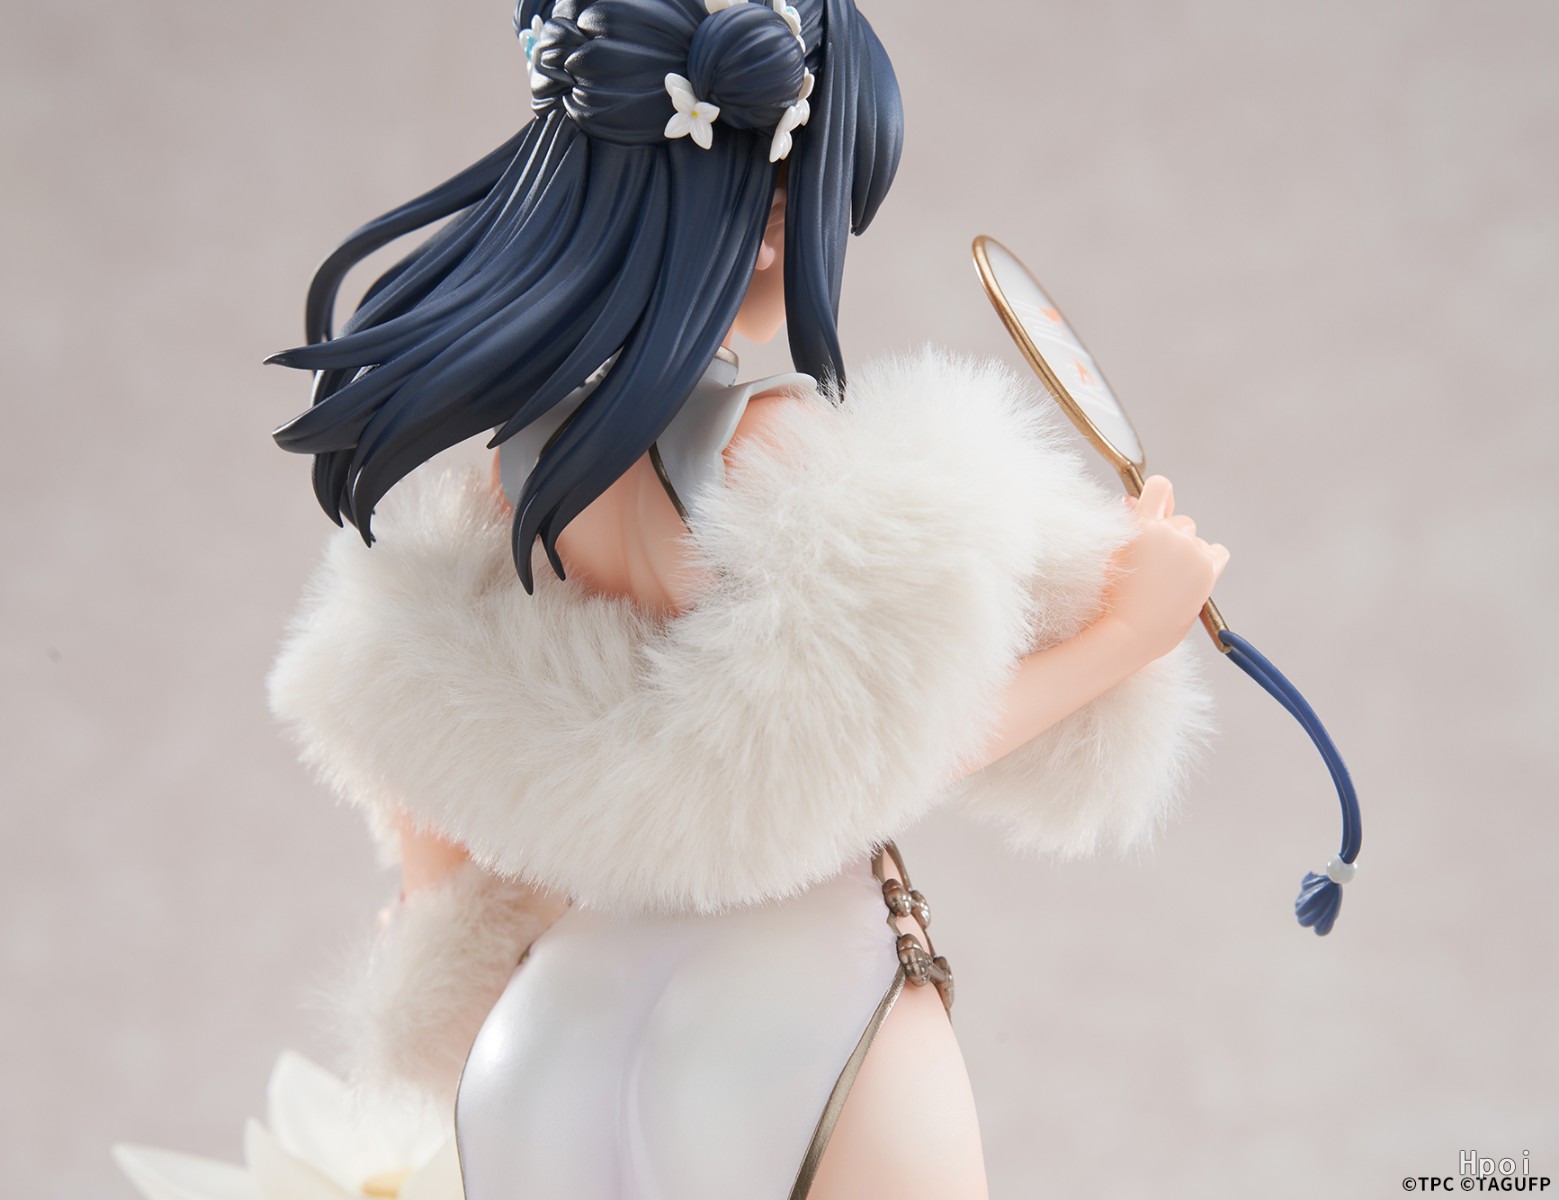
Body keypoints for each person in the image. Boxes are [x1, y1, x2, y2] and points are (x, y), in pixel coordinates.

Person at [266, 1, 1225, 1195]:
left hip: (548, 1034)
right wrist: (1126, 634)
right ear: (776, 222)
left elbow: (422, 736)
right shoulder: (769, 448)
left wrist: (439, 928)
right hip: (787, 1013)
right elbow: (866, 753)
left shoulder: (509, 479)